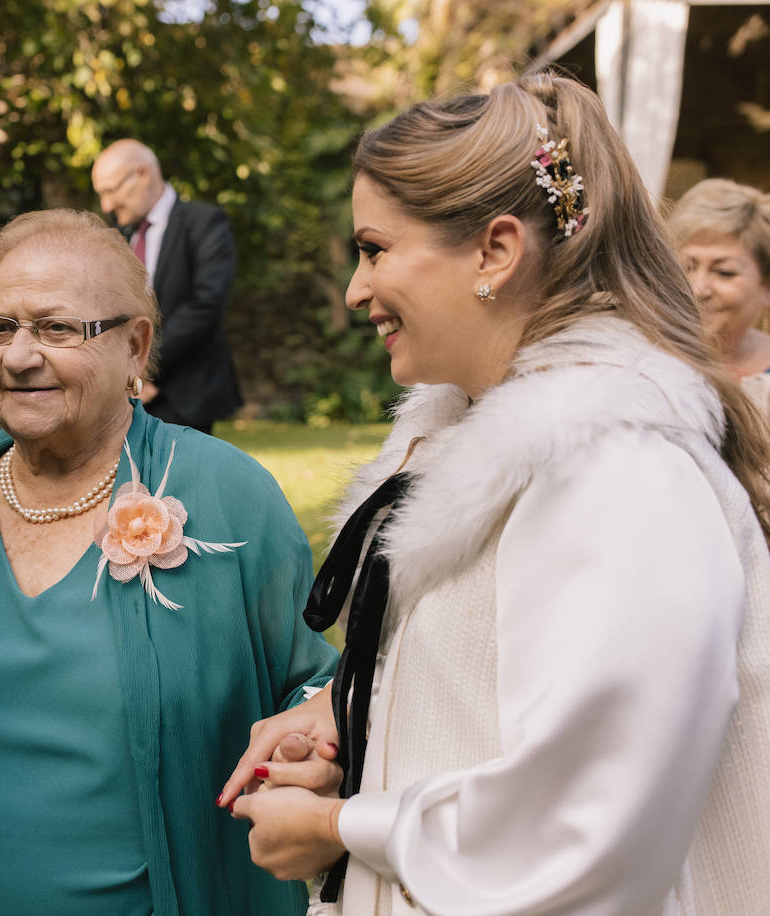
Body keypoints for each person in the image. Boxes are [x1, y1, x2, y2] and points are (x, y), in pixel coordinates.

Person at [218, 70, 770, 914]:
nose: (356, 291)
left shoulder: (615, 473)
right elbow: (488, 683)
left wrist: (340, 828)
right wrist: (345, 709)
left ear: (496, 251)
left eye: (375, 250)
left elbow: (589, 821)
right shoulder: (485, 443)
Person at [0, 208, 339, 915]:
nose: (17, 355)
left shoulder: (226, 494)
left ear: (136, 348)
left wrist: (306, 751)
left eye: (56, 327)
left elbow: (308, 683)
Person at [91, 139, 243, 433]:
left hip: (185, 391)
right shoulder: (117, 236)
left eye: (111, 191)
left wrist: (145, 368)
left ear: (143, 173)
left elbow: (205, 304)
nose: (106, 205)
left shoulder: (204, 222)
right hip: (126, 393)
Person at [668, 177, 770, 411]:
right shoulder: (637, 355)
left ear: (767, 287)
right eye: (687, 266)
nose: (697, 289)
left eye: (724, 272)